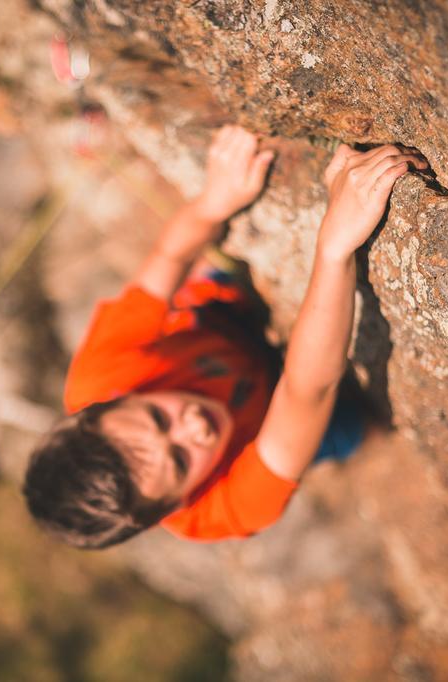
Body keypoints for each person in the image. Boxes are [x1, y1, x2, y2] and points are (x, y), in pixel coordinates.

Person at [22, 125, 427, 549]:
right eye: (180, 461)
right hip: (272, 416)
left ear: (115, 399)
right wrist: (334, 247)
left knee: (213, 275)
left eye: (158, 418)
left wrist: (214, 203)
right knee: (359, 427)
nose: (193, 426)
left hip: (220, 326)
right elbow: (307, 391)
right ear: (179, 502)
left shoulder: (98, 375)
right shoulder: (222, 512)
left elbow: (171, 257)